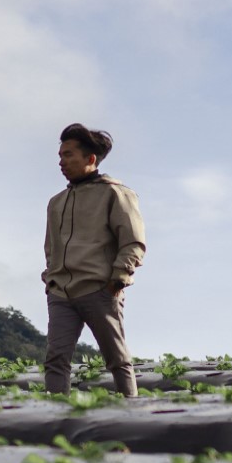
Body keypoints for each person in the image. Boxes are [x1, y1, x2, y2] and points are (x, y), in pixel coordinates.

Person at [41, 122, 146, 397]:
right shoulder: (57, 202)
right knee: (56, 360)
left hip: (99, 289)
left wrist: (118, 279)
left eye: (68, 155)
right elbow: (51, 247)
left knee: (116, 357)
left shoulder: (114, 193)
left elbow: (133, 241)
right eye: (60, 155)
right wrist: (50, 279)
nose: (61, 161)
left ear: (90, 159)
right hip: (61, 292)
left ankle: (131, 413)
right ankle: (56, 420)